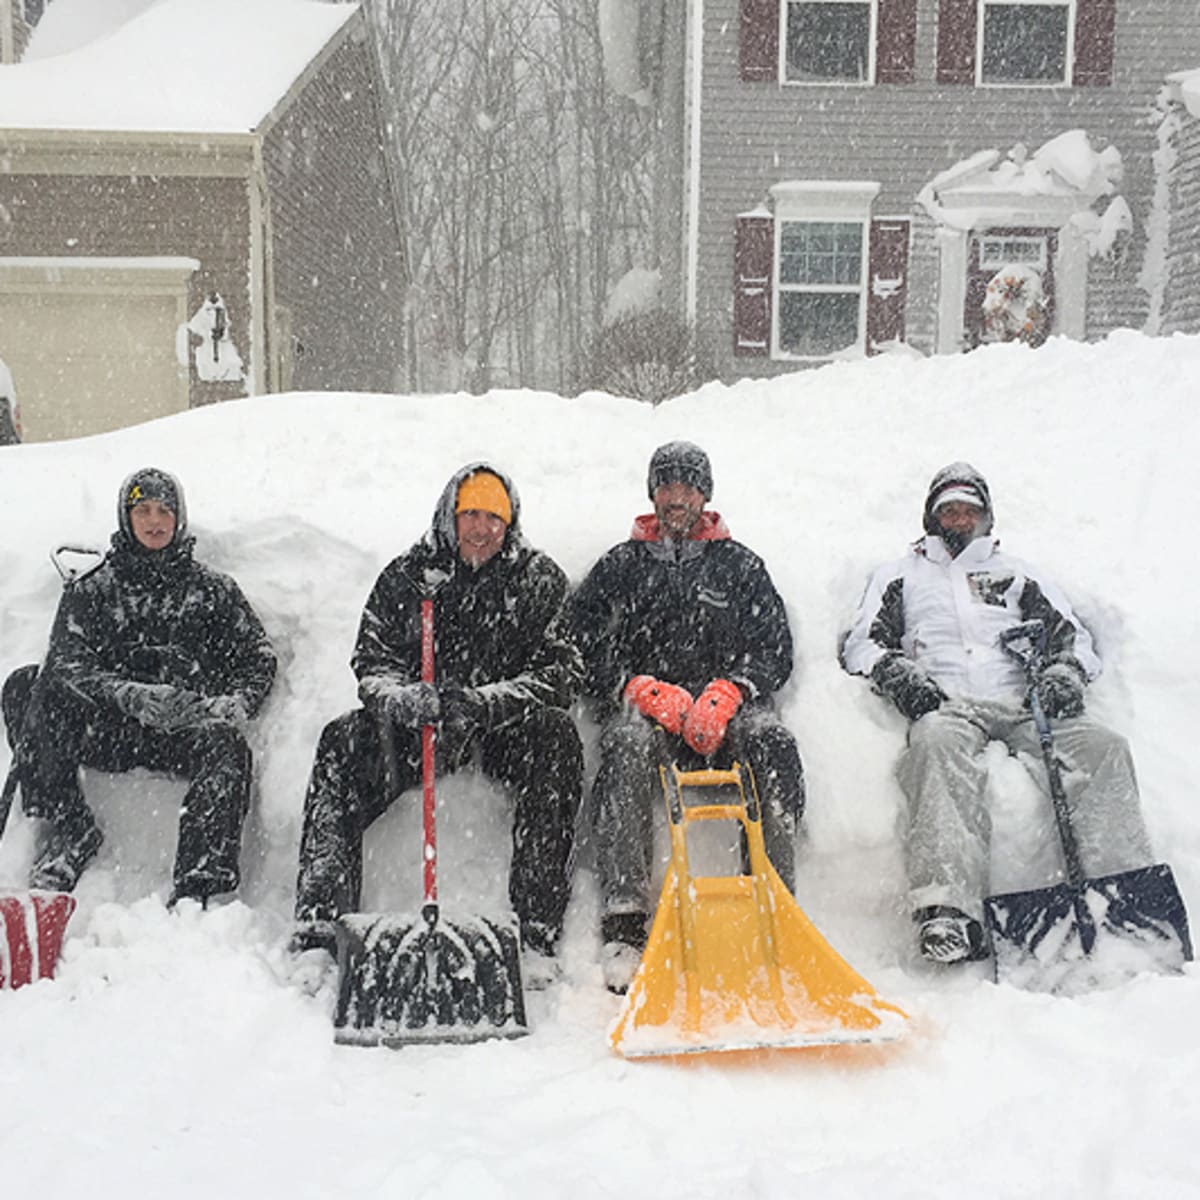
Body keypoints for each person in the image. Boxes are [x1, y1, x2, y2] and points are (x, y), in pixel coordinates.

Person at [840, 462, 1155, 964]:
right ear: (932, 516)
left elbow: (1075, 637)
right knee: (934, 750)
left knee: (1103, 749)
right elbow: (861, 644)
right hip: (947, 703)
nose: (960, 517)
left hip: (1026, 704)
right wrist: (900, 676)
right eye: (950, 509)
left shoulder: (1020, 573)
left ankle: (1123, 891)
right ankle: (947, 911)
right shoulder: (899, 574)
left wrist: (1064, 673)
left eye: (969, 509)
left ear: (985, 516)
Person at [292, 463, 583, 986]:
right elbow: (372, 661)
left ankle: (536, 933)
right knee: (340, 741)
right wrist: (405, 701)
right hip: (419, 727)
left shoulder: (538, 579)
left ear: (509, 522)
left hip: (500, 728)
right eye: (470, 514)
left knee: (558, 739)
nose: (480, 528)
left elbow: (561, 673)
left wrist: (485, 702)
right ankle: (317, 928)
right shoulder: (410, 575)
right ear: (450, 516)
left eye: (493, 517)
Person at [571, 441, 805, 993]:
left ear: (706, 494)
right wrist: (638, 687)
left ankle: (775, 899)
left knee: (772, 741)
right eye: (667, 485)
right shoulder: (621, 565)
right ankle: (624, 919)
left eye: (688, 485)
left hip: (729, 718)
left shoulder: (741, 565)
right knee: (624, 745)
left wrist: (731, 690)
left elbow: (775, 647)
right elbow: (579, 642)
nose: (678, 496)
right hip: (652, 718)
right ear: (653, 493)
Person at [1, 467, 277, 905]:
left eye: (164, 510)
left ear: (179, 517)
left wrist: (234, 703)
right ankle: (69, 829)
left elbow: (257, 656)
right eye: (142, 510)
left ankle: (199, 883)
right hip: (107, 730)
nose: (154, 521)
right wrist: (128, 695)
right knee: (26, 686)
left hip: (181, 733)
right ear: (125, 517)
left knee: (227, 747)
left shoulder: (212, 591)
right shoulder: (94, 588)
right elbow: (67, 665)